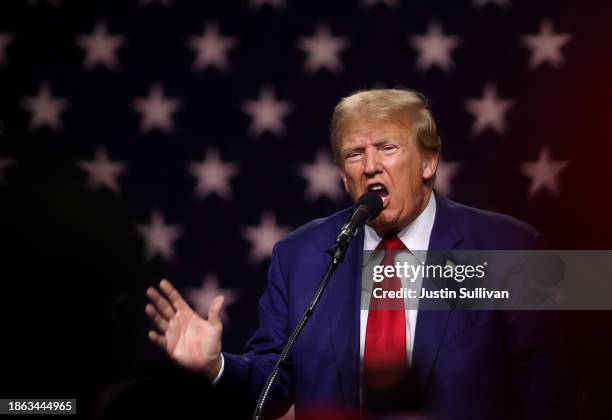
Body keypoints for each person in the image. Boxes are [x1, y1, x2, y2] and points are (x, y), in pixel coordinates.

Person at [145, 89, 574, 419]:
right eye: (355, 153)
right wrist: (215, 366)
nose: (370, 166)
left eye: (388, 147)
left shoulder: (508, 248)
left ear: (429, 162)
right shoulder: (301, 256)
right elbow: (271, 386)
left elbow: (547, 396)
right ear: (343, 176)